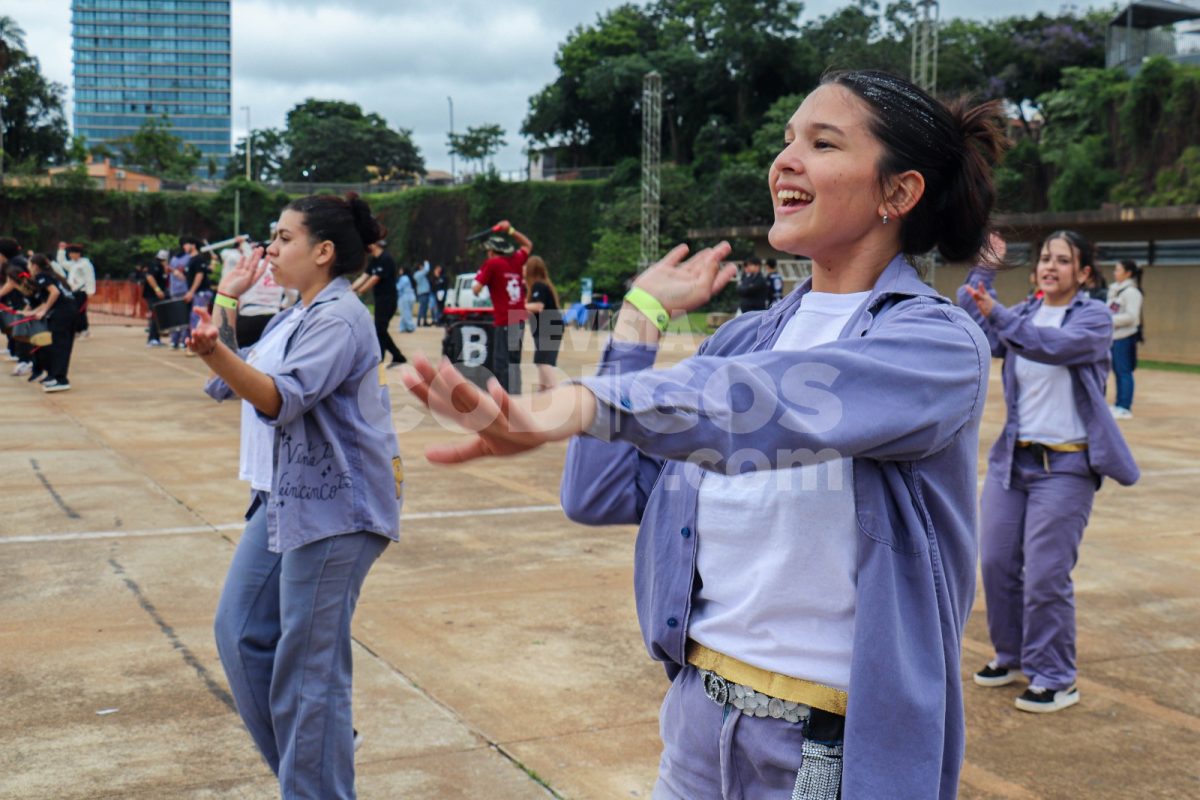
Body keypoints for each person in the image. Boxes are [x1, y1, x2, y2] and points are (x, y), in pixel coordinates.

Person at [403, 70, 1006, 798]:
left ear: (898, 193)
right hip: (698, 725)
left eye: (822, 143)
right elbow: (596, 494)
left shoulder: (935, 345)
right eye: (787, 141)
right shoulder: (745, 339)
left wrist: (583, 405)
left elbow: (766, 406)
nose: (785, 161)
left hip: (828, 750)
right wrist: (636, 323)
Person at [194, 193, 401, 800]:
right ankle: (320, 758)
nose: (270, 247)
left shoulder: (339, 318)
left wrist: (213, 348)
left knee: (309, 675)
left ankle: (317, 777)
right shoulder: (297, 311)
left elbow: (281, 397)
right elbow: (226, 378)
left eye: (284, 238)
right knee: (240, 634)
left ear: (324, 251)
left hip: (336, 509)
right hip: (284, 498)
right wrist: (226, 300)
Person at [960, 229, 1139, 714]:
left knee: (1045, 576)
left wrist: (997, 313)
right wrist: (985, 270)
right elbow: (974, 318)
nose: (1050, 266)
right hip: (1014, 460)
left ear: (1083, 274)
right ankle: (1012, 655)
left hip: (1066, 466)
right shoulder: (1022, 314)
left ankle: (1056, 676)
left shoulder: (1095, 318)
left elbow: (1049, 347)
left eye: (1062, 261)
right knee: (996, 564)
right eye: (1044, 258)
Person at [472, 221, 532, 394]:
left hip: (504, 319)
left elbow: (476, 290)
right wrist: (511, 230)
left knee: (501, 362)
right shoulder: (516, 260)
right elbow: (528, 244)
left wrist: (481, 275)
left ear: (491, 251)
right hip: (518, 318)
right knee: (514, 362)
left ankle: (505, 400)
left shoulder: (492, 264)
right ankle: (516, 397)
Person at [28, 253, 78, 392]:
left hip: (62, 313)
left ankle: (61, 379)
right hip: (69, 310)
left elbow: (54, 293)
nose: (28, 267)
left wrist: (44, 312)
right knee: (60, 345)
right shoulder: (54, 275)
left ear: (35, 266)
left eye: (29, 264)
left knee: (59, 346)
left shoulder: (41, 276)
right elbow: (48, 300)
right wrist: (32, 313)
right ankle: (55, 376)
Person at [351, 239, 406, 366]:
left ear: (374, 244)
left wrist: (359, 292)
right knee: (380, 329)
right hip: (380, 299)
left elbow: (374, 279)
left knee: (380, 329)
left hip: (388, 299)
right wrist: (349, 289)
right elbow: (364, 276)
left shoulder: (385, 259)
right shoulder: (375, 260)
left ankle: (380, 358)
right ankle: (397, 355)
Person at [1107, 259, 1143, 419]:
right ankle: (1118, 404)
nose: (1115, 273)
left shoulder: (1132, 292)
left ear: (1128, 273)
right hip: (1114, 337)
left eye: (1118, 270)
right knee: (1117, 370)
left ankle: (1124, 406)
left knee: (1124, 371)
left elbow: (1132, 317)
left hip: (1125, 337)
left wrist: (1109, 320)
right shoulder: (1115, 290)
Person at [523, 255, 563, 391]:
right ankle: (544, 392)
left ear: (530, 270)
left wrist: (517, 306)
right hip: (551, 327)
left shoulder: (538, 286)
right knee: (543, 361)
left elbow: (538, 306)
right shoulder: (544, 285)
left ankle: (555, 392)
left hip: (548, 327)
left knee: (544, 361)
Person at [181, 237, 214, 355]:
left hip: (201, 292)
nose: (184, 247)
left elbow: (199, 276)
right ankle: (194, 344)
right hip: (196, 292)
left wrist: (191, 291)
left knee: (196, 318)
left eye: (186, 244)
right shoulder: (191, 260)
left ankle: (197, 345)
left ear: (193, 245)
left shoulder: (198, 259)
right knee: (193, 318)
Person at [58, 243, 96, 339]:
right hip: (73, 291)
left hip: (81, 291)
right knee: (73, 312)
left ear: (78, 253)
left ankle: (84, 330)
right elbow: (61, 262)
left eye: (72, 253)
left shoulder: (85, 264)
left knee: (80, 312)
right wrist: (61, 251)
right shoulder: (72, 264)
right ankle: (77, 330)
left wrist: (90, 291)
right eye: (69, 253)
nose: (70, 255)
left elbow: (90, 278)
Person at [141, 250, 169, 346]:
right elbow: (149, 277)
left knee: (158, 316)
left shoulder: (161, 267)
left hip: (155, 295)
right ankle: (152, 338)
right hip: (152, 295)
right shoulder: (155, 265)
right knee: (155, 315)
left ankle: (156, 338)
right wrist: (157, 289)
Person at [395, 265, 417, 333]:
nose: (399, 271)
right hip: (412, 297)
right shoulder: (410, 278)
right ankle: (403, 327)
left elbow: (398, 287)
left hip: (404, 297)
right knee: (407, 312)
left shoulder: (404, 278)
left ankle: (410, 327)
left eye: (401, 269)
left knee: (405, 313)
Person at [414, 260, 432, 326]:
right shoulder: (419, 274)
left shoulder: (418, 274)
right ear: (420, 267)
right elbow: (427, 269)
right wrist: (426, 262)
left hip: (423, 293)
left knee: (424, 308)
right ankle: (419, 322)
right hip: (423, 293)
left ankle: (424, 322)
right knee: (422, 308)